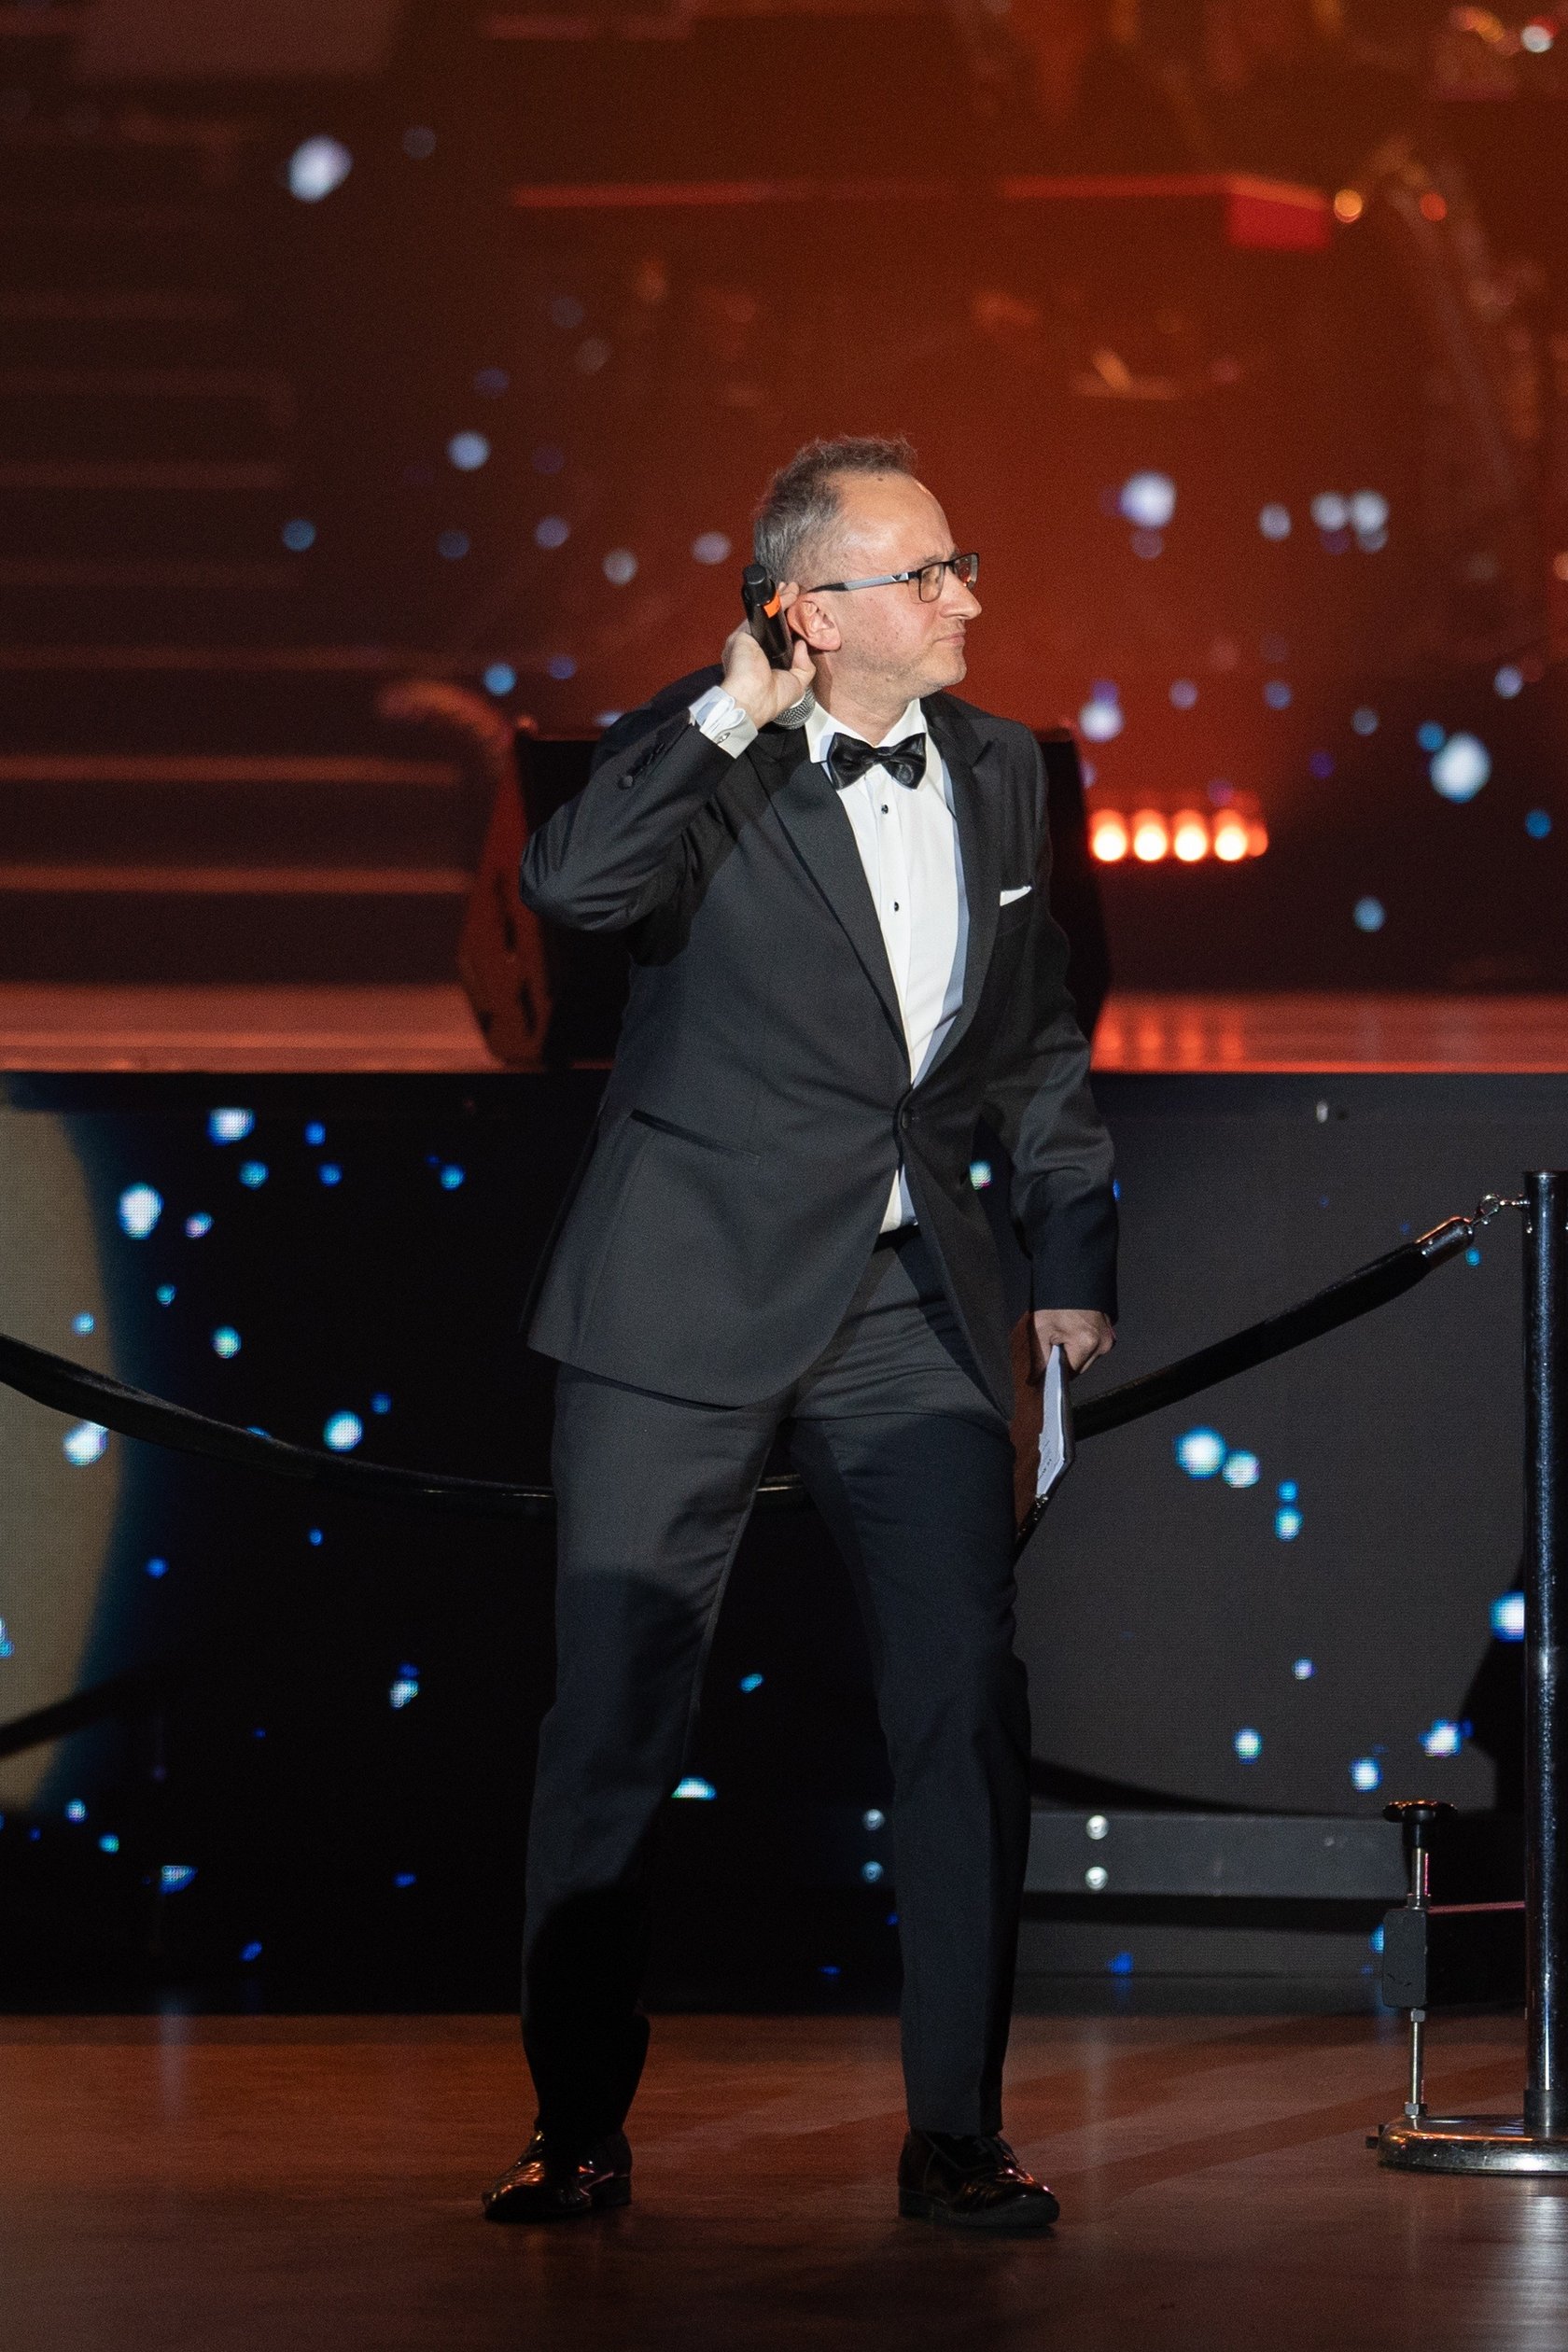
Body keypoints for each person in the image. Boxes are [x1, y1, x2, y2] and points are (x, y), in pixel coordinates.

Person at [484, 435, 1117, 2233]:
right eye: (926, 572)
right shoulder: (705, 754)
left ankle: (956, 2131)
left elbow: (1035, 1042)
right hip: (681, 1298)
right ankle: (576, 2123)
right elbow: (570, 893)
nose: (966, 595)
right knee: (615, 1715)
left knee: (962, 1703)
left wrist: (1070, 1255)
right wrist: (727, 714)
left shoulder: (1005, 769)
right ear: (809, 610)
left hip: (911, 1307)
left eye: (957, 563)